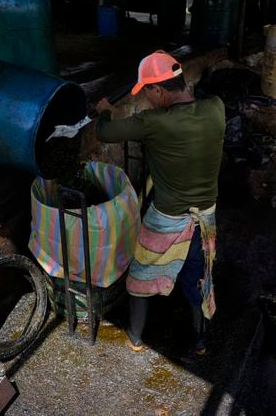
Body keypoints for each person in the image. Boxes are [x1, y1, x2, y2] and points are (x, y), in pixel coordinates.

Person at [94, 51, 225, 358]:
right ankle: (200, 342)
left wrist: (104, 111)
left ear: (158, 89)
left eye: (147, 93)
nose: (148, 100)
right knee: (198, 276)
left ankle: (136, 337)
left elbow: (105, 132)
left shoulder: (154, 122)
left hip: (168, 218)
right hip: (205, 218)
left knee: (141, 275)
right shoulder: (216, 108)